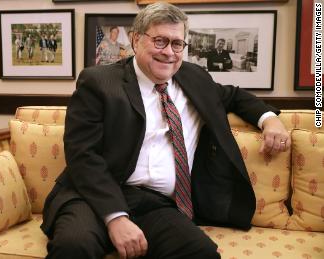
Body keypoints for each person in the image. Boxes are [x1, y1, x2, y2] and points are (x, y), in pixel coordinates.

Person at [41, 2, 290, 259]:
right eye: (160, 41)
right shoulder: (99, 83)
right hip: (93, 196)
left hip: (155, 204)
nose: (169, 52)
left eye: (177, 43)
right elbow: (82, 155)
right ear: (136, 40)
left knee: (201, 253)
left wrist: (269, 119)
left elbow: (234, 96)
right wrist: (115, 218)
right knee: (74, 247)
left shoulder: (194, 78)